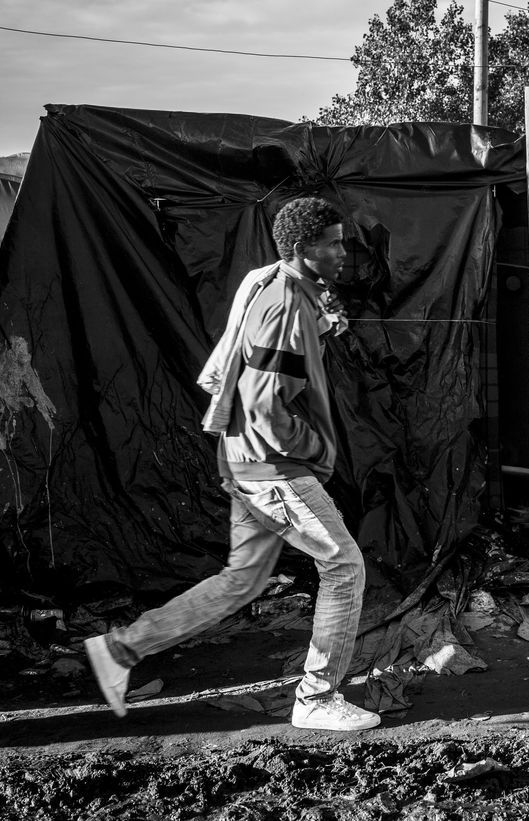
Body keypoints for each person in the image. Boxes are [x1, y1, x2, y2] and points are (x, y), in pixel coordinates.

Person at [85, 197, 379, 731]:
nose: (343, 252)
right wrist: (315, 449)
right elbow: (264, 405)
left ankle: (120, 649)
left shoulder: (276, 284)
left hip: (244, 458)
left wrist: (321, 320)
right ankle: (316, 699)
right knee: (344, 566)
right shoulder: (286, 307)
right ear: (302, 248)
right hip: (272, 465)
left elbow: (267, 357)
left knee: (240, 581)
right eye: (333, 243)